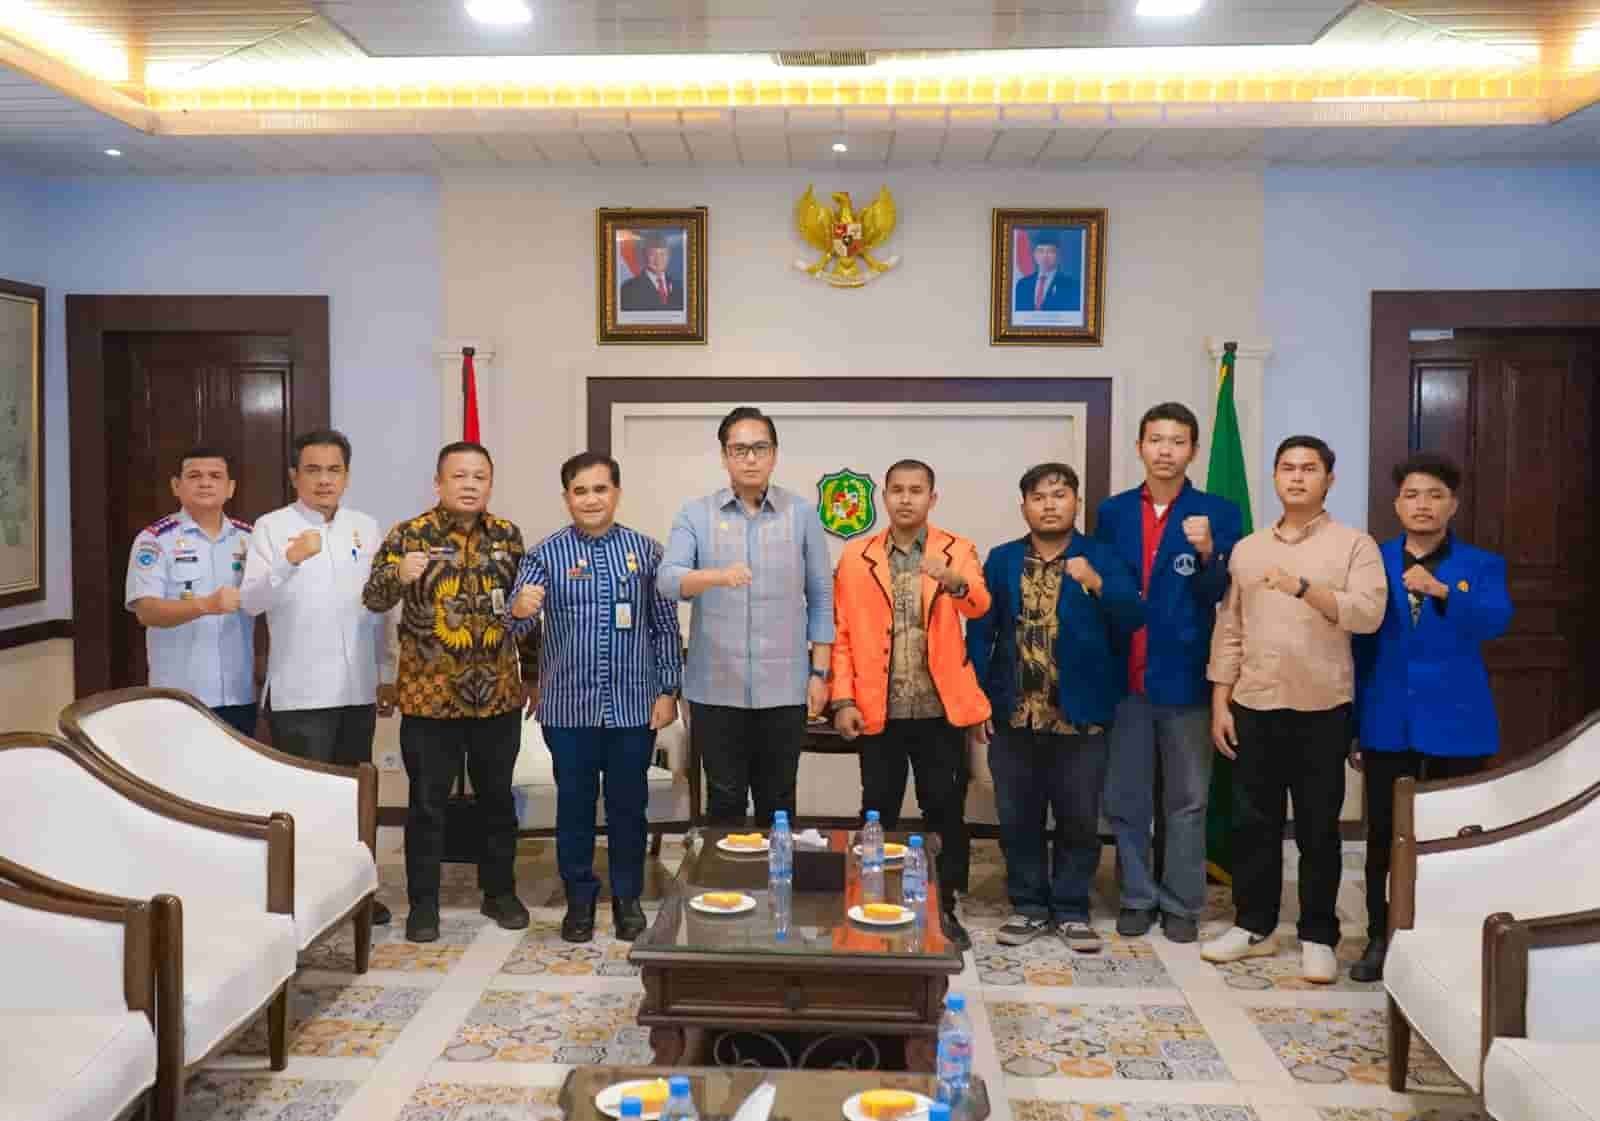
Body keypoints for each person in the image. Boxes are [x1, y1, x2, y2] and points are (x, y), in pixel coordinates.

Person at [1202, 436, 1386, 984]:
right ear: (1275, 477)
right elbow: (1230, 627)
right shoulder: (1249, 549)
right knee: (1252, 825)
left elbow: (1368, 615)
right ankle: (1253, 926)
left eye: (1309, 468)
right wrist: (1220, 700)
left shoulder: (1354, 546)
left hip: (1322, 707)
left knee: (1317, 829)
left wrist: (1304, 588)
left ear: (1330, 479)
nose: (1298, 477)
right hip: (1254, 702)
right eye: (1288, 468)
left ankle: (1318, 935)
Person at [362, 441, 541, 944]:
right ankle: (424, 905)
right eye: (459, 476)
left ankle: (500, 893)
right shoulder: (409, 534)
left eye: (479, 477)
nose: (469, 485)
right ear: (438, 483)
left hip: (497, 696)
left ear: (490, 484)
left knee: (497, 802)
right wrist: (397, 574)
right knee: (427, 805)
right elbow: (373, 599)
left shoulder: (508, 536)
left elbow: (526, 612)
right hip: (429, 698)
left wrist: (531, 673)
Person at [507, 452, 683, 945]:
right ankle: (579, 902)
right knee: (575, 809)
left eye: (600, 489)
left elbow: (665, 628)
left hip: (634, 707)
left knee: (629, 808)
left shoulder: (648, 553)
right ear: (566, 498)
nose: (590, 499)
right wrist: (517, 609)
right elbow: (515, 627)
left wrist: (668, 690)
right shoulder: (544, 556)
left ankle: (628, 901)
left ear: (617, 493)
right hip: (568, 710)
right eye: (580, 491)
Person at [1348, 452, 1512, 982]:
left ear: (1453, 505)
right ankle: (1380, 938)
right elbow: (1358, 647)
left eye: (1435, 495)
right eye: (1412, 495)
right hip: (1387, 719)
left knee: (1453, 838)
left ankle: (1446, 943)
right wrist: (1355, 725)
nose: (1423, 505)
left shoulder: (1481, 565)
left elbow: (1494, 622)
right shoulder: (1372, 560)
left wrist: (1441, 592)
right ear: (1397, 504)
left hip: (1456, 723)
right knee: (1383, 837)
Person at [967, 463, 1143, 954]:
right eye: (1039, 497)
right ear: (1024, 506)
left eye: (1060, 495)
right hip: (1014, 713)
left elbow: (1133, 618)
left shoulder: (1101, 556)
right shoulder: (1003, 560)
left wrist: (1098, 583)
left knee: (1079, 819)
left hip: (1080, 716)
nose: (1049, 504)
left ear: (1076, 503)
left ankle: (1070, 909)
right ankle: (1027, 905)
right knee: (1017, 818)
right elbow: (981, 633)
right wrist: (978, 700)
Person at [1095, 403, 1243, 944]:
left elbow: (1222, 596)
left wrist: (1209, 554)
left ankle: (1182, 902)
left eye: (1177, 441)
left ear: (1193, 451)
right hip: (1124, 677)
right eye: (1156, 440)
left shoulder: (1219, 512)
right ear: (1140, 446)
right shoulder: (1112, 512)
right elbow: (1106, 591)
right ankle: (1136, 896)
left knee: (1187, 800)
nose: (1165, 450)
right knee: (1126, 799)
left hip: (1186, 677)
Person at [831, 459, 992, 951]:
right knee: (876, 809)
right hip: (877, 708)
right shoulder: (856, 555)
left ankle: (944, 907)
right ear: (884, 497)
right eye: (897, 490)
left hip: (939, 709)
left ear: (932, 498)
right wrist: (842, 699)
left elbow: (979, 604)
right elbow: (841, 634)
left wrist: (953, 580)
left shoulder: (957, 549)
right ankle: (870, 901)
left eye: (916, 490)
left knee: (943, 809)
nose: (906, 498)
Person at [242, 428, 395, 924]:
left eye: (334, 470)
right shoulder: (271, 527)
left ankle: (357, 895)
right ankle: (308, 901)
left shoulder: (365, 527)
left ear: (346, 476)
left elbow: (377, 609)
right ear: (294, 475)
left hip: (357, 688)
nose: (324, 480)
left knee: (354, 797)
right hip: (301, 692)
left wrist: (385, 671)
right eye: (313, 469)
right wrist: (288, 561)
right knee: (307, 804)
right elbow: (251, 602)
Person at [658, 406, 833, 826]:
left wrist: (820, 673)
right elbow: (668, 580)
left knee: (779, 800)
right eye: (739, 450)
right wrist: (716, 576)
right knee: (725, 800)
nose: (750, 458)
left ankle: (779, 871)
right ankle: (726, 873)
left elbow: (822, 597)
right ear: (724, 456)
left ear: (774, 454)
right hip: (715, 688)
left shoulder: (802, 514)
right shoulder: (695, 515)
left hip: (785, 688)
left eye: (760, 448)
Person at [125, 446, 256, 736]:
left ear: (230, 488)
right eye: (194, 476)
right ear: (176, 486)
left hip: (238, 693)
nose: (205, 483)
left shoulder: (250, 539)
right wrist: (206, 605)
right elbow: (146, 611)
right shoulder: (155, 540)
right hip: (179, 696)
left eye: (215, 476)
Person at [1011, 231, 1079, 314]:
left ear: (1059, 255)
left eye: (1050, 251)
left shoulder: (1071, 286)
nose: (1045, 256)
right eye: (1040, 251)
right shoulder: (1022, 284)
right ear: (1035, 255)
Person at [619, 235, 684, 312]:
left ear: (668, 257)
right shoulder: (628, 290)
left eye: (662, 254)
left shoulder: (679, 287)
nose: (658, 259)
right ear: (643, 256)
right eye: (652, 254)